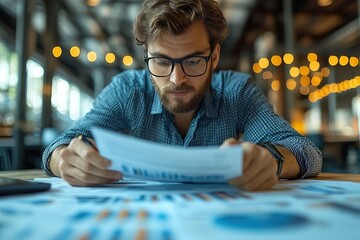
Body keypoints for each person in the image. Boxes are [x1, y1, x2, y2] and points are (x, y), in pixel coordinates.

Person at [42, 0, 322, 191]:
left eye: (193, 61)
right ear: (146, 56)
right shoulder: (127, 91)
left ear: (214, 57)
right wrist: (65, 160)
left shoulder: (236, 92)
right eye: (162, 61)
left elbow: (306, 151)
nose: (177, 80)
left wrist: (272, 159)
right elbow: (60, 145)